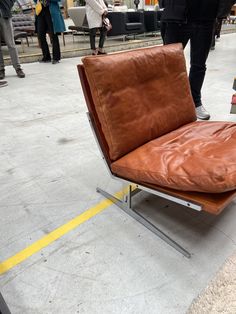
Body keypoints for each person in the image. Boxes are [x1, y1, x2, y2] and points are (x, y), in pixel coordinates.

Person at [160, 0, 235, 120]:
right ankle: (169, 103)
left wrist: (222, 9)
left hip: (206, 17)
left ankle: (195, 102)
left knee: (198, 65)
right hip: (176, 15)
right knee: (169, 64)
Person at [0, 0, 25, 79]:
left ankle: (18, 68)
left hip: (4, 14)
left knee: (11, 43)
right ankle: (1, 69)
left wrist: (8, 5)